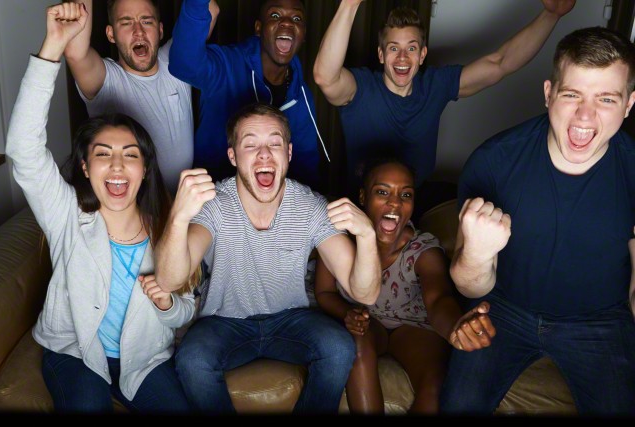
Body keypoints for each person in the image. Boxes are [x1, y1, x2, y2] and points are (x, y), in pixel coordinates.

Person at [3, 4, 197, 412]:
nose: (117, 166)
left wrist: (167, 305)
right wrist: (53, 45)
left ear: (145, 169)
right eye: (104, 154)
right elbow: (23, 150)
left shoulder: (168, 223)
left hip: (145, 362)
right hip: (74, 353)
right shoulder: (67, 214)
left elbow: (185, 309)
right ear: (86, 167)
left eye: (130, 155)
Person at [440, 26, 635, 415]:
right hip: (505, 309)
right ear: (548, 94)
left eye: (606, 99)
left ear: (629, 105)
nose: (585, 116)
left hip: (600, 321)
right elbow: (468, 283)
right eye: (571, 94)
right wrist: (476, 252)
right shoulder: (493, 162)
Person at [154, 103, 381, 413]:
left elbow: (364, 293)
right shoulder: (214, 204)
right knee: (193, 360)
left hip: (290, 319)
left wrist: (367, 236)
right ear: (233, 156)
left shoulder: (310, 207)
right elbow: (169, 280)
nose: (264, 154)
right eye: (250, 145)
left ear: (288, 153)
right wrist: (179, 217)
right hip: (223, 322)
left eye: (274, 143)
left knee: (339, 348)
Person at [313, 0, 576, 211]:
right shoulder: (360, 88)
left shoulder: (435, 84)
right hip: (363, 203)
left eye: (411, 48)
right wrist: (349, 3)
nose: (402, 57)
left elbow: (500, 63)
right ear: (381, 55)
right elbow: (325, 77)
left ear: (422, 55)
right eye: (393, 48)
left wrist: (551, 15)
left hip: (417, 200)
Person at [314, 158, 495, 414]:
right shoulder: (338, 240)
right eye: (382, 192)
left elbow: (438, 300)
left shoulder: (423, 249)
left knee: (435, 383)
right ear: (363, 197)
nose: (395, 203)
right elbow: (324, 292)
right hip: (368, 325)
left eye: (406, 194)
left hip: (413, 327)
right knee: (356, 344)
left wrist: (455, 327)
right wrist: (347, 314)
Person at [60, 0, 217, 195]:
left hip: (182, 198)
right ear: (111, 34)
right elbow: (75, 52)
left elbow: (210, 9)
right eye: (126, 23)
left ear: (160, 30)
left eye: (147, 21)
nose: (138, 31)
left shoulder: (177, 60)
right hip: (134, 204)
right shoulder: (106, 80)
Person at [169, 0, 326, 192]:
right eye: (275, 15)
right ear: (259, 28)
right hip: (213, 197)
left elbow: (306, 168)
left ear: (303, 35)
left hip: (268, 202)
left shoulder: (300, 93)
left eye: (297, 18)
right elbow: (183, 64)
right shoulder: (227, 65)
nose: (287, 22)